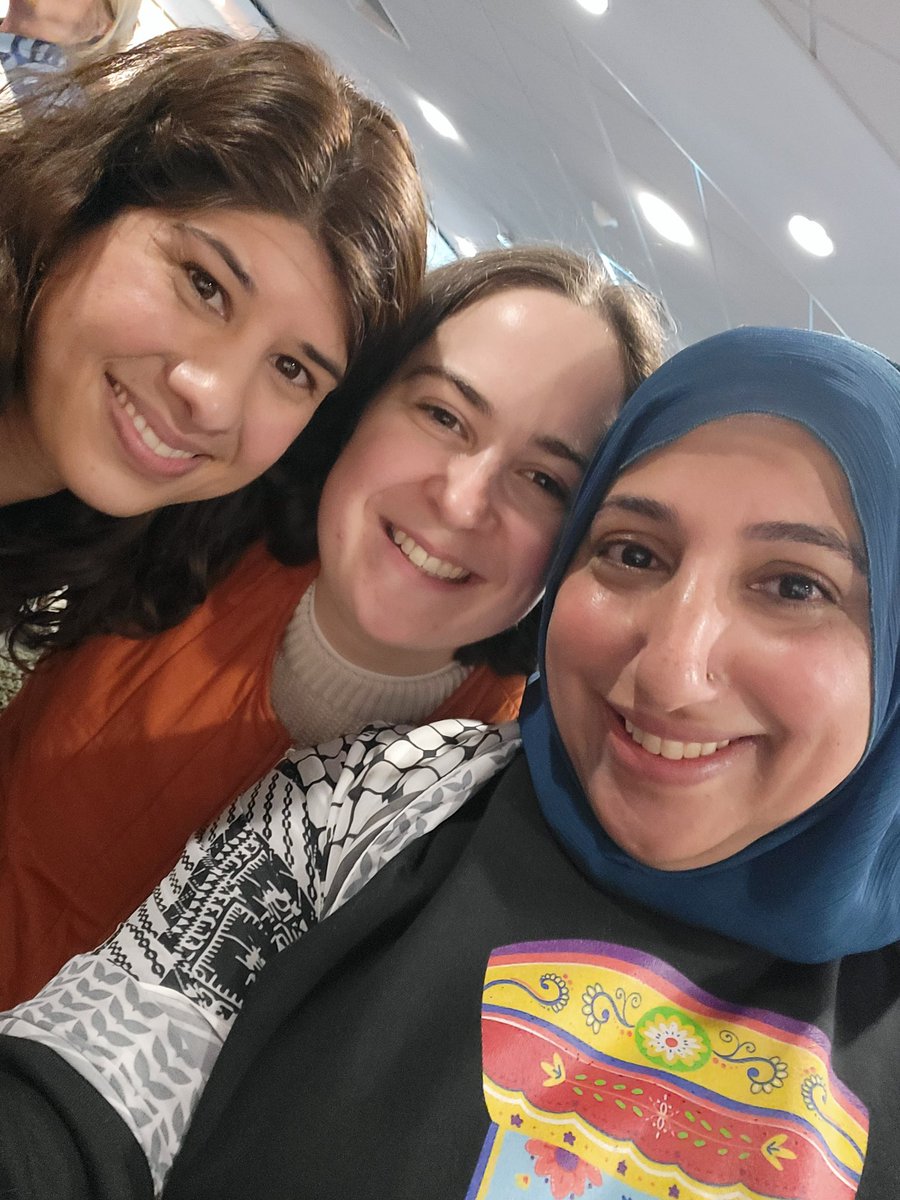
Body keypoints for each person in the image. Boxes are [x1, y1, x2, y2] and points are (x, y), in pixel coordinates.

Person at [4, 323, 898, 1199]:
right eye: (632, 553)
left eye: (794, 586)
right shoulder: (373, 796)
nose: (669, 668)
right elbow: (92, 1083)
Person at [0, 245, 666, 1005]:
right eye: (443, 415)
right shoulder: (183, 519)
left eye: (546, 481)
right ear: (362, 403)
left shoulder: (503, 817)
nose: (461, 500)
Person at [0, 27, 426, 651]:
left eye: (290, 369)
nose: (214, 397)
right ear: (86, 202)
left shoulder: (69, 536)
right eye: (205, 285)